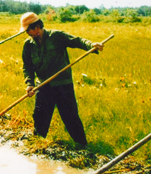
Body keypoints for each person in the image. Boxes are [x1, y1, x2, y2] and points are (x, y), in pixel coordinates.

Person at [21, 12, 104, 148]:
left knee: (70, 117)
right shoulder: (28, 45)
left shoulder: (56, 36)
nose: (27, 33)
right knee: (40, 117)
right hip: (42, 86)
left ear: (36, 27)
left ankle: (82, 145)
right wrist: (29, 84)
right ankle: (37, 145)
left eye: (28, 30)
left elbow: (77, 41)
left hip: (63, 85)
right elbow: (27, 67)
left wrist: (91, 45)